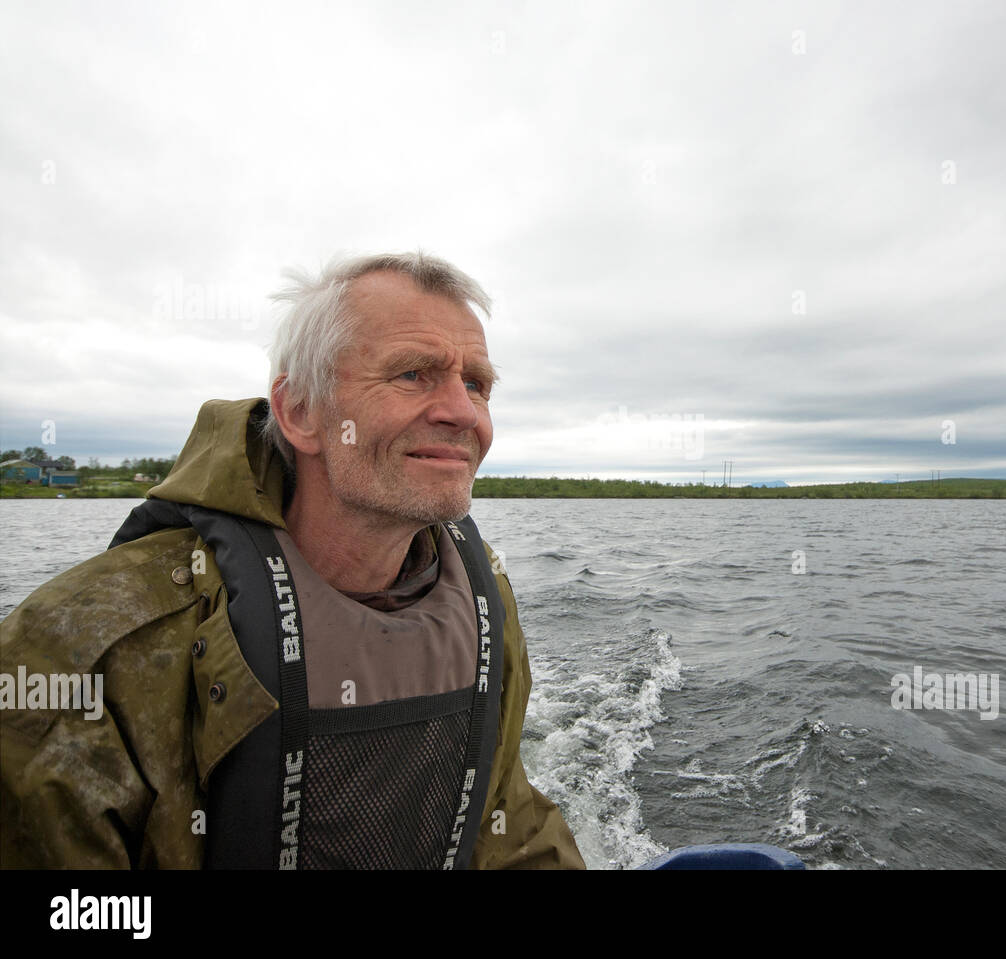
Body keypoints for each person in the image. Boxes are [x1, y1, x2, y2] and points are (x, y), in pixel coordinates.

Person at [0, 252, 585, 870]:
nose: (464, 413)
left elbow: (509, 823)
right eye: (413, 374)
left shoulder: (481, 597)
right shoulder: (83, 643)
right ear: (302, 412)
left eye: (476, 383)